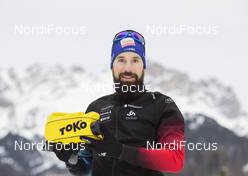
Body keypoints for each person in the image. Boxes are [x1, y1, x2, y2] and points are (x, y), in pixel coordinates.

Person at [53, 30, 185, 176]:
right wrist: (72, 160)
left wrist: (119, 150)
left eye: (135, 60)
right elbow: (87, 169)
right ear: (112, 65)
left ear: (144, 66)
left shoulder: (162, 105)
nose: (128, 68)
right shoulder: (95, 108)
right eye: (121, 60)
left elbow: (174, 160)